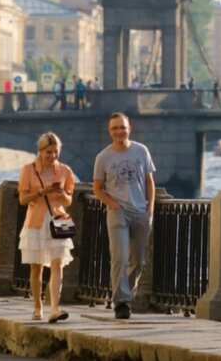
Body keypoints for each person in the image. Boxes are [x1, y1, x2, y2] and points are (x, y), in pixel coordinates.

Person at [93, 112, 155, 320]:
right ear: (109, 132)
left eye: (122, 127)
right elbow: (98, 188)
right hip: (117, 212)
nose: (119, 131)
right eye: (114, 128)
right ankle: (122, 302)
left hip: (140, 212)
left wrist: (150, 210)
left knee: (138, 260)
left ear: (130, 128)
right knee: (119, 258)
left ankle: (125, 293)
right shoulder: (103, 157)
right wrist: (112, 204)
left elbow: (149, 182)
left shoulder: (141, 151)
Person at [17, 132, 75, 323]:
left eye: (55, 152)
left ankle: (55, 309)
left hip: (58, 219)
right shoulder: (28, 170)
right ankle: (37, 307)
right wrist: (42, 192)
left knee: (58, 264)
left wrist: (60, 193)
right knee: (37, 268)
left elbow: (69, 199)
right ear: (40, 151)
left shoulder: (65, 170)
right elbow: (23, 199)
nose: (52, 156)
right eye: (48, 152)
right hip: (36, 222)